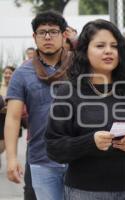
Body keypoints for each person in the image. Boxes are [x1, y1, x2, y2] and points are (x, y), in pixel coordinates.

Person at [45, 19, 125, 200]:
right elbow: (54, 147)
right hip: (84, 191)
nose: (108, 50)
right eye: (100, 45)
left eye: (114, 46)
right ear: (85, 51)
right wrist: (90, 142)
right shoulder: (68, 91)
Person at [4, 10, 70, 200]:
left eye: (53, 31)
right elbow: (13, 117)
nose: (47, 36)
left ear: (64, 35)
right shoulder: (22, 73)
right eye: (42, 32)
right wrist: (12, 159)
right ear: (35, 37)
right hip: (41, 160)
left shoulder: (78, 67)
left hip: (79, 157)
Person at [0, 66, 21, 169]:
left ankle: (12, 165)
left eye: (10, 73)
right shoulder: (0, 87)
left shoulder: (18, 87)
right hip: (1, 119)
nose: (7, 75)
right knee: (1, 147)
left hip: (14, 118)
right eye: (6, 73)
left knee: (12, 143)